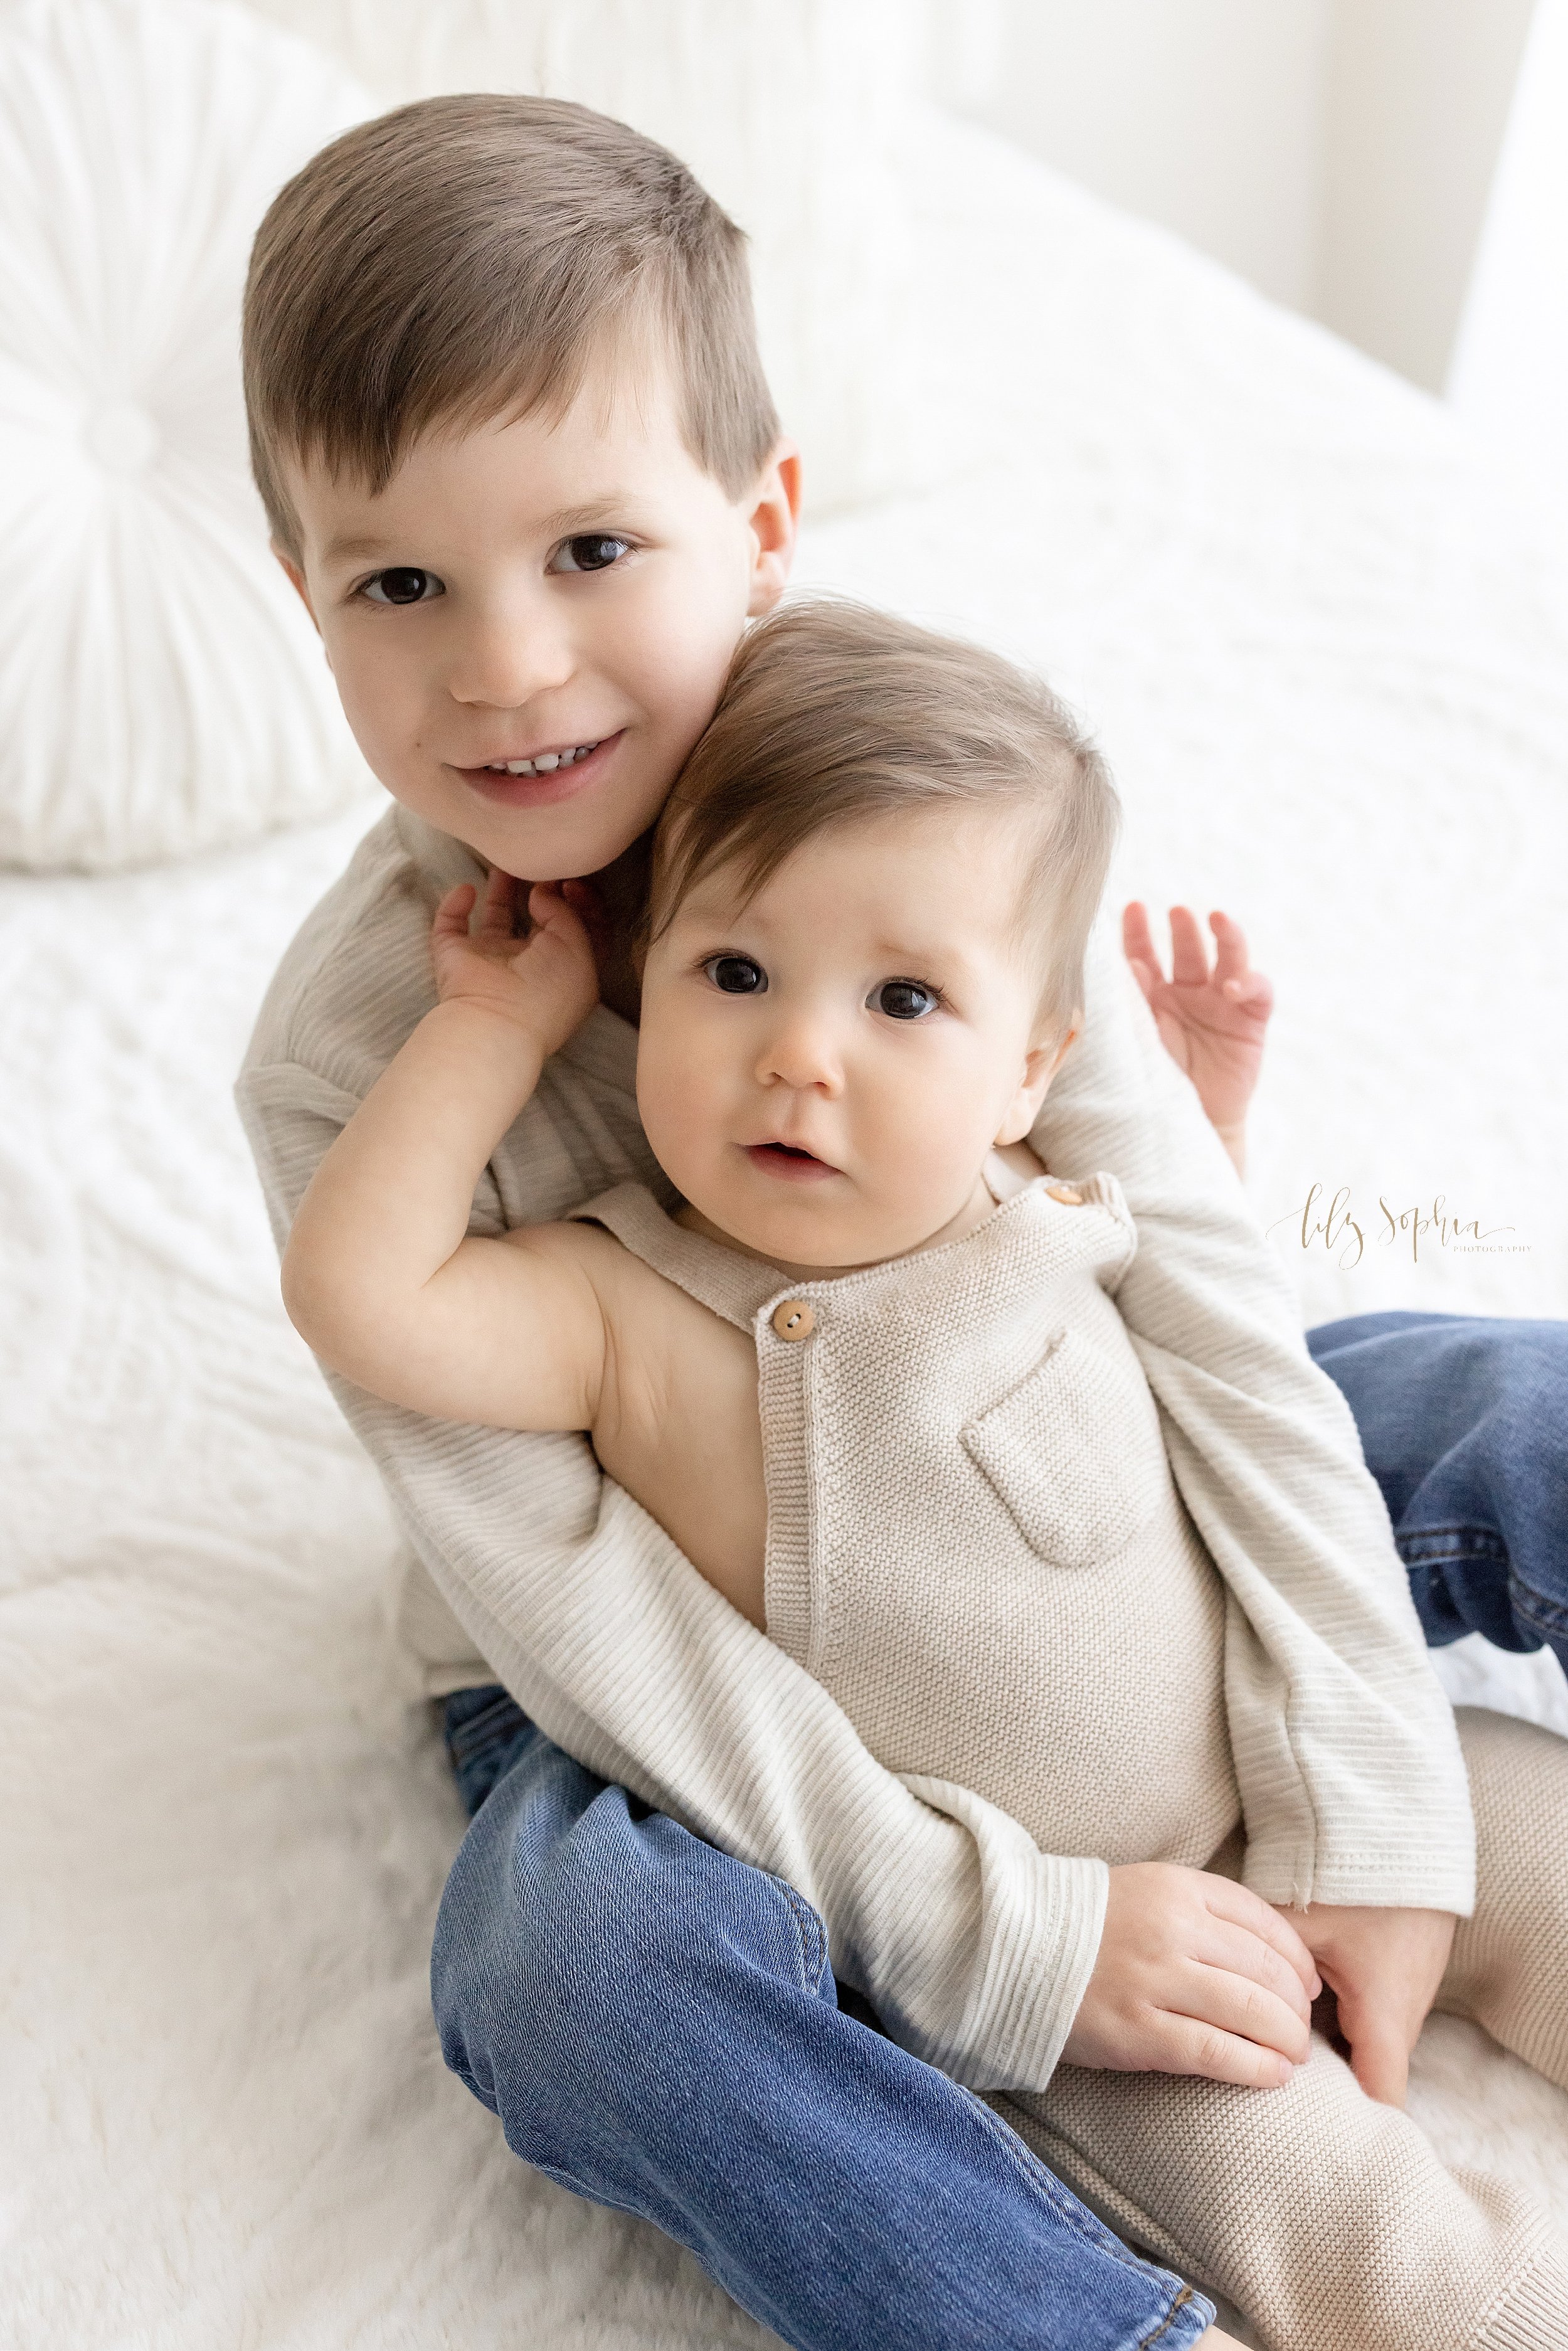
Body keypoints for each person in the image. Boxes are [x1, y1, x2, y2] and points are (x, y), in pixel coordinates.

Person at [238, 93, 1474, 2351]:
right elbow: (584, 1592)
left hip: (1030, 1421)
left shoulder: (922, 783)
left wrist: (1364, 1785)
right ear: (306, 604)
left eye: (593, 546)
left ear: (762, 521)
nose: (507, 663)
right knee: (567, 1964)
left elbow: (1194, 1291)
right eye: (397, 580)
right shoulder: (349, 1061)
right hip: (661, 1638)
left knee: (1469, 1392)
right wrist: (1002, 1921)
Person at [1123, 903, 1568, 1690]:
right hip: (1140, 1546)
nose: (822, 1059)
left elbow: (1194, 1313)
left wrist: (1184, 1145)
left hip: (1191, 1450)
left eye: (907, 1002)